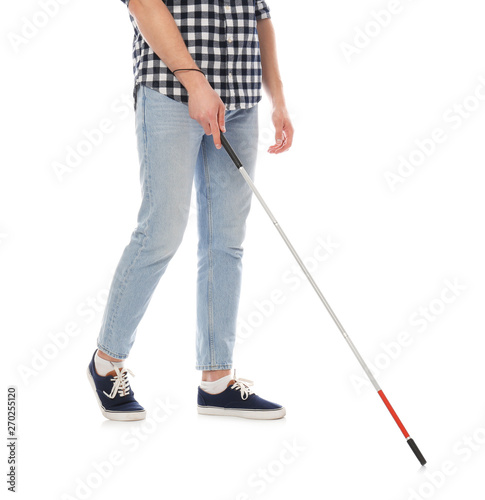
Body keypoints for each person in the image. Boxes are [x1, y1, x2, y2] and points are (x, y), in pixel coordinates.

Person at [87, 0, 294, 421]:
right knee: (161, 229)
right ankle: (106, 362)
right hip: (170, 92)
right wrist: (197, 84)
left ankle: (216, 380)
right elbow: (144, 3)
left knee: (226, 242)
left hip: (241, 99)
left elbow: (259, 16)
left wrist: (278, 100)